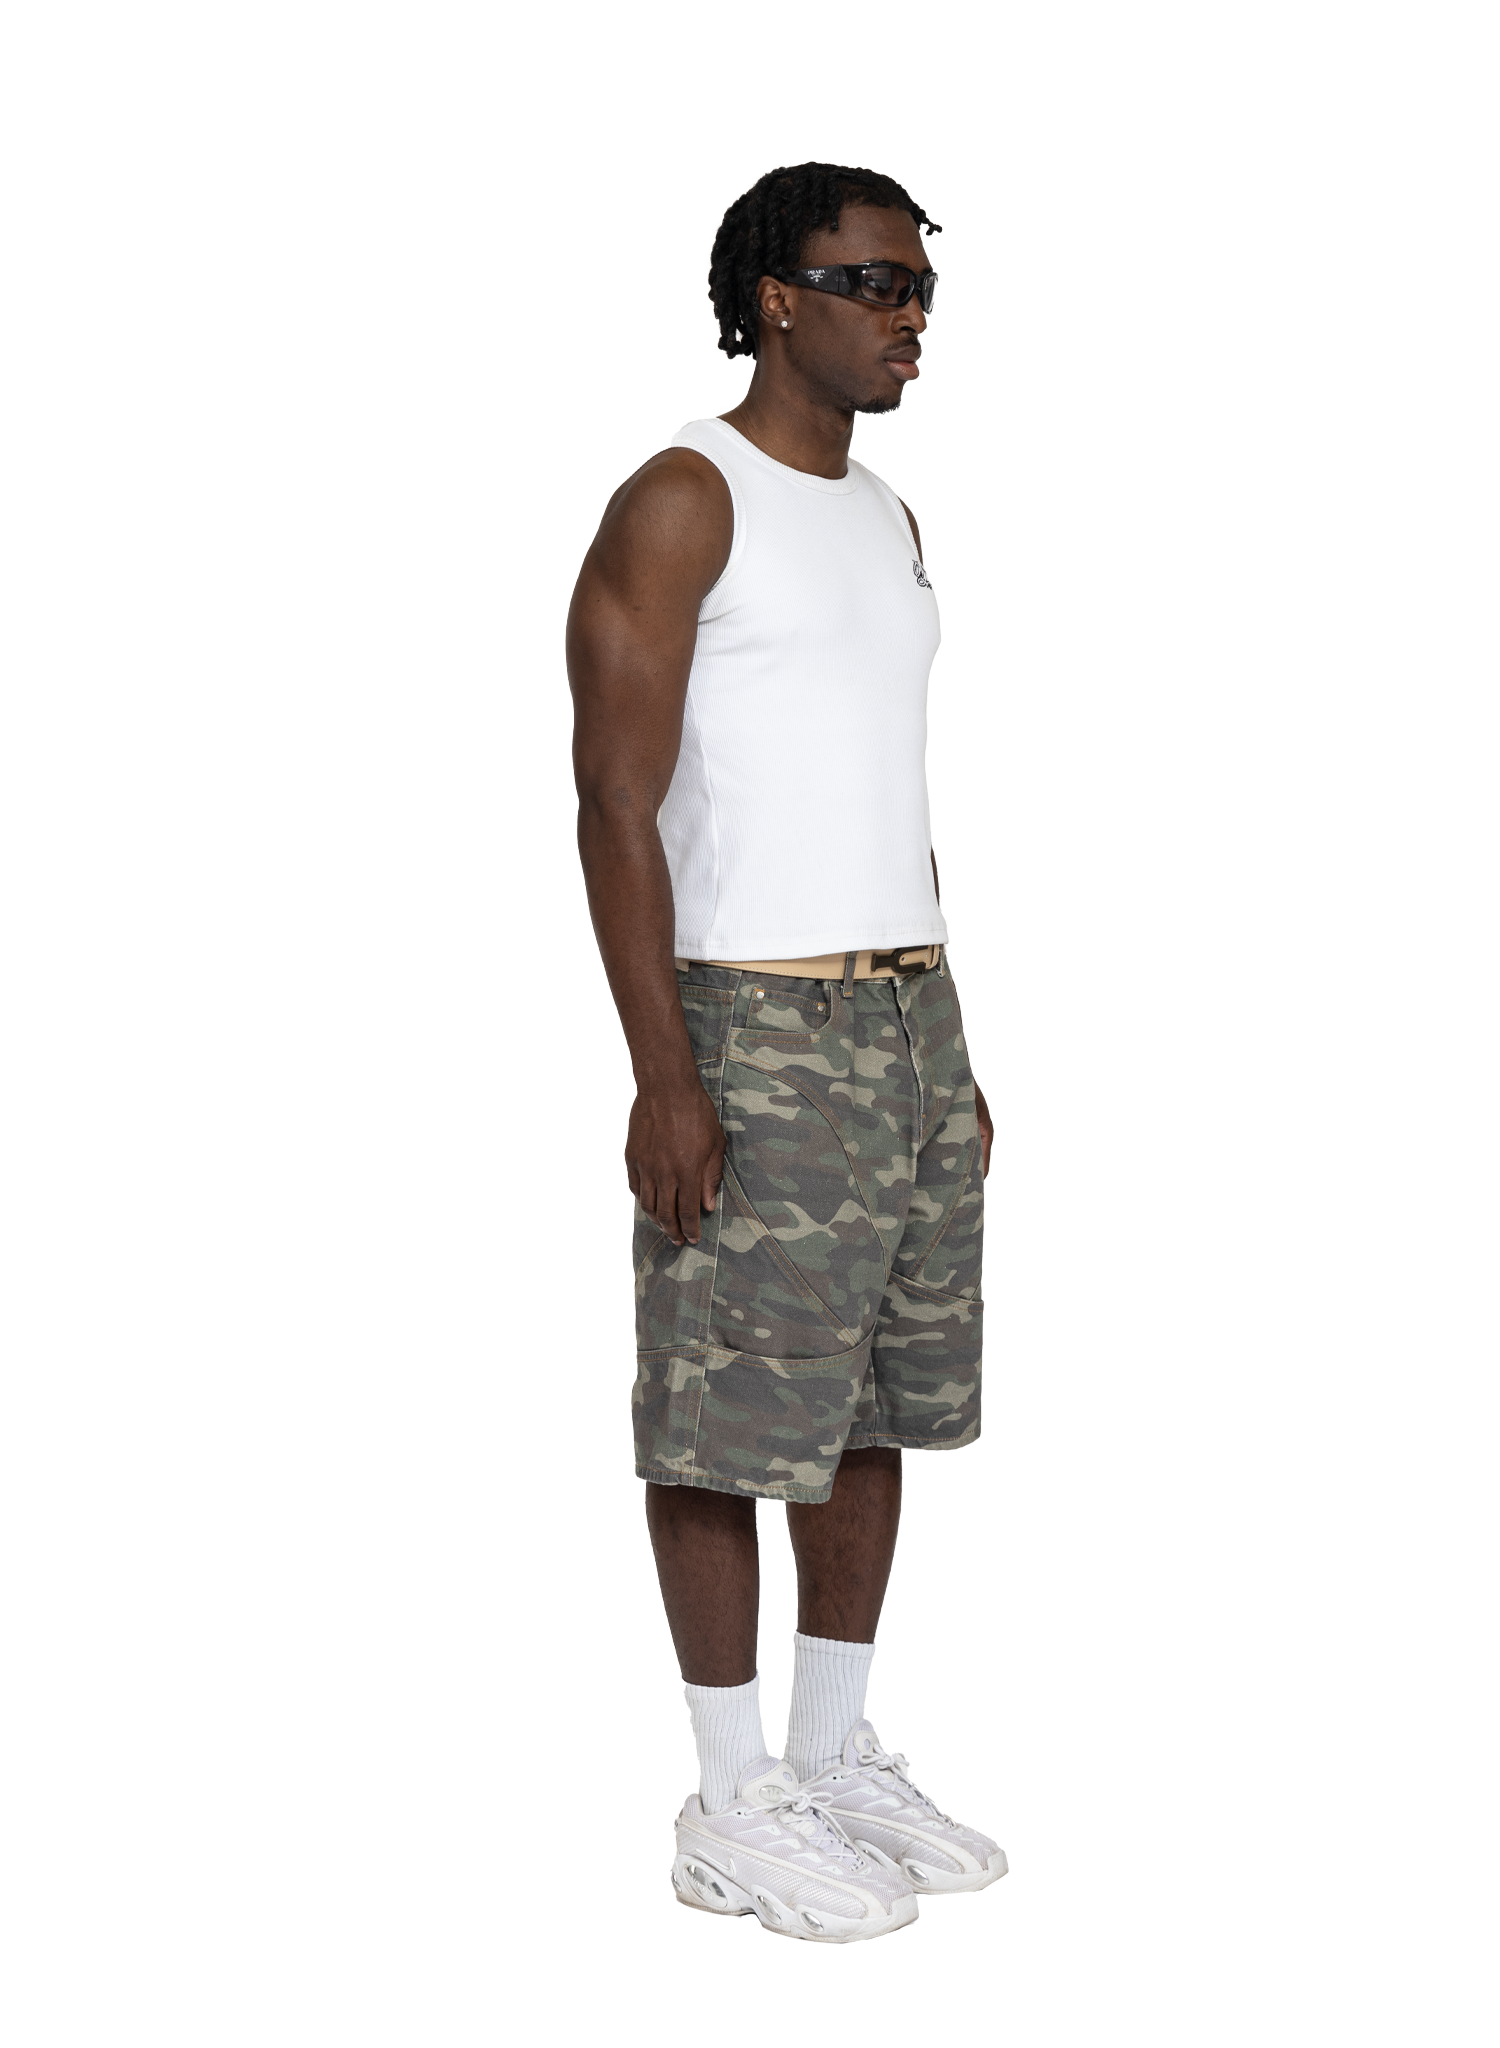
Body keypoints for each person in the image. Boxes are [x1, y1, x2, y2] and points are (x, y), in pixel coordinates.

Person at [567, 161, 1006, 1943]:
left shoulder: (884, 510)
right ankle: (733, 1797)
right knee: (724, 1419)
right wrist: (665, 1075)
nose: (913, 314)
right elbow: (613, 800)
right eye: (877, 283)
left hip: (904, 1017)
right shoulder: (686, 496)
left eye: (922, 285)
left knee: (877, 1405)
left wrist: (947, 1041)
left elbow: (876, 781)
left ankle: (829, 1760)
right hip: (752, 1022)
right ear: (776, 297)